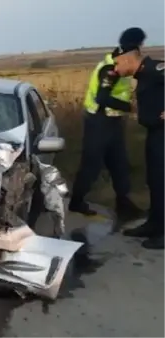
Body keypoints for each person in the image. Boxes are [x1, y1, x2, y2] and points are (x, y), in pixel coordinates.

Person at [68, 30, 145, 223]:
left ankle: (124, 205)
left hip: (112, 122)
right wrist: (129, 107)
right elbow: (102, 97)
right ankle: (76, 202)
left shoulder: (119, 61)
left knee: (119, 165)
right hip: (99, 122)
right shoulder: (111, 69)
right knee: (91, 165)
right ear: (134, 46)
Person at [113, 41, 165, 249]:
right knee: (156, 182)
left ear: (127, 58)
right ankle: (155, 224)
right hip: (155, 134)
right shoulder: (143, 75)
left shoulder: (156, 69)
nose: (117, 69)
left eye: (118, 63)